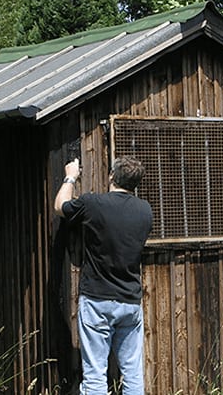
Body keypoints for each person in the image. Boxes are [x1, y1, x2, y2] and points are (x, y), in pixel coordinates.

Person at [54, 156, 153, 395]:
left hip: (97, 299)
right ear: (136, 184)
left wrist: (71, 176)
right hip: (130, 301)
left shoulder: (93, 204)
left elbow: (60, 206)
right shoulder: (145, 210)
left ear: (111, 176)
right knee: (132, 371)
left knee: (95, 372)